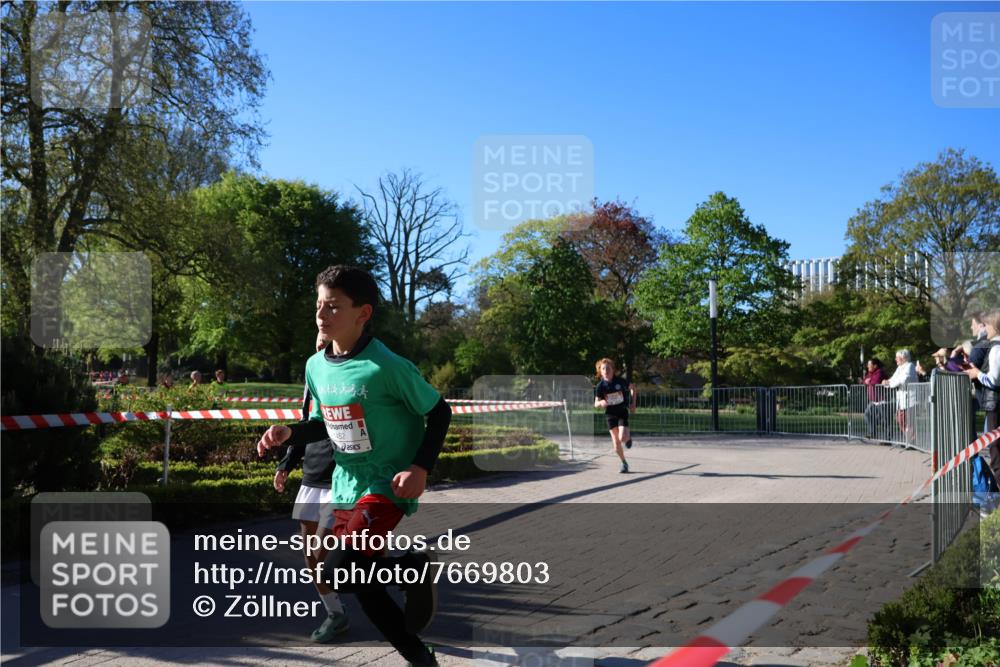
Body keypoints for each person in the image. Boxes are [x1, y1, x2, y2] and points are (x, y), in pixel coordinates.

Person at [257, 265, 450, 667]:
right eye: (319, 305)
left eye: (333, 307)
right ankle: (420, 656)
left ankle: (412, 568)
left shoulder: (387, 366)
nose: (321, 315)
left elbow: (439, 412)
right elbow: (322, 424)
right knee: (358, 581)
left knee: (338, 569)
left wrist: (420, 468)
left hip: (385, 483)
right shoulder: (316, 366)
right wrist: (289, 433)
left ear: (363, 313)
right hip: (346, 483)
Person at [272, 330, 348, 642]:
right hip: (312, 474)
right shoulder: (313, 378)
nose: (321, 348)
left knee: (326, 552)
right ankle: (335, 613)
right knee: (310, 557)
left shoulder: (350, 380)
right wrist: (286, 464)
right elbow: (304, 426)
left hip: (343, 475)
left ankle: (407, 571)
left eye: (326, 343)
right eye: (318, 343)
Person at [964, 309, 1000, 487]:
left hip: (995, 405)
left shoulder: (995, 349)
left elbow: (993, 380)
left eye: (987, 324)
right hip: (995, 404)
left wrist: (977, 374)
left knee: (996, 451)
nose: (985, 329)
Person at [594, 358, 636, 473]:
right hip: (610, 415)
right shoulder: (600, 386)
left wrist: (633, 403)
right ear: (600, 371)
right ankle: (624, 463)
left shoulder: (620, 381)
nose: (606, 370)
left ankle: (628, 438)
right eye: (603, 368)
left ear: (613, 369)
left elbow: (633, 388)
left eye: (608, 368)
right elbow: (595, 403)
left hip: (622, 412)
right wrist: (601, 402)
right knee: (616, 444)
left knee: (622, 437)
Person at [883, 349, 918, 442]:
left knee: (908, 420)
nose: (895, 359)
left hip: (910, 399)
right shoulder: (900, 368)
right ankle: (909, 439)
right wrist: (886, 382)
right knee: (900, 419)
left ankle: (911, 440)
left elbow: (903, 380)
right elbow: (893, 378)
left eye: (897, 357)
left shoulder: (910, 366)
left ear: (903, 358)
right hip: (902, 399)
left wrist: (890, 383)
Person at [862, 358, 886, 439]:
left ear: (875, 366)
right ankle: (873, 433)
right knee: (867, 414)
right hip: (873, 401)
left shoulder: (880, 372)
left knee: (884, 419)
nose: (868, 366)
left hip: (881, 400)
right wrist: (866, 381)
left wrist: (869, 381)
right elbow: (864, 381)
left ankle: (887, 438)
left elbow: (876, 381)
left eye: (869, 364)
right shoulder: (870, 373)